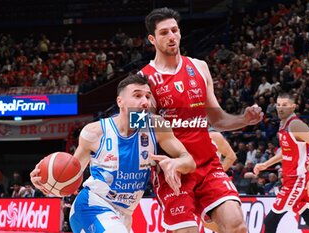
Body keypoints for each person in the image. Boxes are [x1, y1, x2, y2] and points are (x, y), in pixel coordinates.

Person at [140, 7, 263, 233]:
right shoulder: (143, 79)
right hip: (173, 170)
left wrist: (243, 120)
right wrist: (176, 161)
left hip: (207, 165)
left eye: (175, 30)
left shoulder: (199, 67)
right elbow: (150, 132)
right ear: (152, 38)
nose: (171, 36)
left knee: (237, 226)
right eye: (164, 32)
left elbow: (216, 118)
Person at [30, 74, 196, 233]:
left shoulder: (156, 126)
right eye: (137, 96)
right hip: (91, 206)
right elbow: (71, 172)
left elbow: (189, 161)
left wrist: (176, 163)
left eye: (147, 96)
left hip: (124, 215)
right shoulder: (95, 132)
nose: (145, 102)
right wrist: (46, 183)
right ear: (120, 102)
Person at [254, 93, 309, 233]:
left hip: (297, 180)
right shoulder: (283, 124)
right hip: (292, 178)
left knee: (270, 221)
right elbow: (286, 152)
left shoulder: (296, 124)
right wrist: (266, 164)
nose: (280, 108)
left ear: (293, 107)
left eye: (284, 105)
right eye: (278, 104)